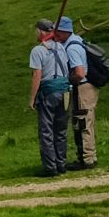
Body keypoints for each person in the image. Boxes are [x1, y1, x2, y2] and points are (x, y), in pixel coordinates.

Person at [54, 16, 98, 170]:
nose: (56, 34)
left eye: (58, 31)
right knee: (87, 121)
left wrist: (68, 79)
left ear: (65, 31)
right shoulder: (77, 40)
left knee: (82, 122)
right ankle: (90, 156)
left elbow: (79, 73)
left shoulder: (71, 48)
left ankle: (86, 160)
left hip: (81, 88)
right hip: (88, 87)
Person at [28, 18, 70, 177]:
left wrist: (32, 98)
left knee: (47, 131)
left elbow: (36, 75)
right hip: (65, 91)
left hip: (49, 92)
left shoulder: (37, 51)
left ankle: (50, 167)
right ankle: (61, 164)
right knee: (61, 130)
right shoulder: (61, 47)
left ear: (40, 31)